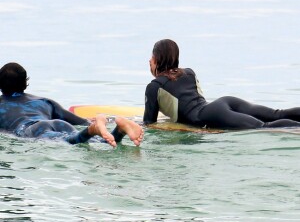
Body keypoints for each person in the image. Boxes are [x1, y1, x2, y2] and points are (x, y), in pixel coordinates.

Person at [143, 39, 300, 130]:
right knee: (276, 114)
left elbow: (149, 123)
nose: (149, 60)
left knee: (264, 127)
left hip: (208, 117)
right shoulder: (189, 73)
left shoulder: (154, 87)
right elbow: (188, 99)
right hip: (223, 103)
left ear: (156, 59)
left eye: (151, 57)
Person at [0, 62, 143, 147]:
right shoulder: (44, 102)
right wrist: (100, 121)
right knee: (99, 142)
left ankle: (92, 130)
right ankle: (119, 129)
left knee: (71, 142)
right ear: (25, 82)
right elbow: (81, 121)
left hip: (31, 130)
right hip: (57, 123)